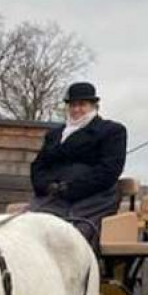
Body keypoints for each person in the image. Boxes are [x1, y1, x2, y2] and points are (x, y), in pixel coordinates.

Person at [29, 81, 127, 248]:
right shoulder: (55, 135)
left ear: (94, 106)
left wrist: (70, 189)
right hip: (51, 197)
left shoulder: (111, 131)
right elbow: (38, 167)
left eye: (82, 105)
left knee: (68, 238)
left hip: (92, 199)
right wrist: (47, 186)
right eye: (72, 105)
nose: (76, 110)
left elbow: (109, 170)